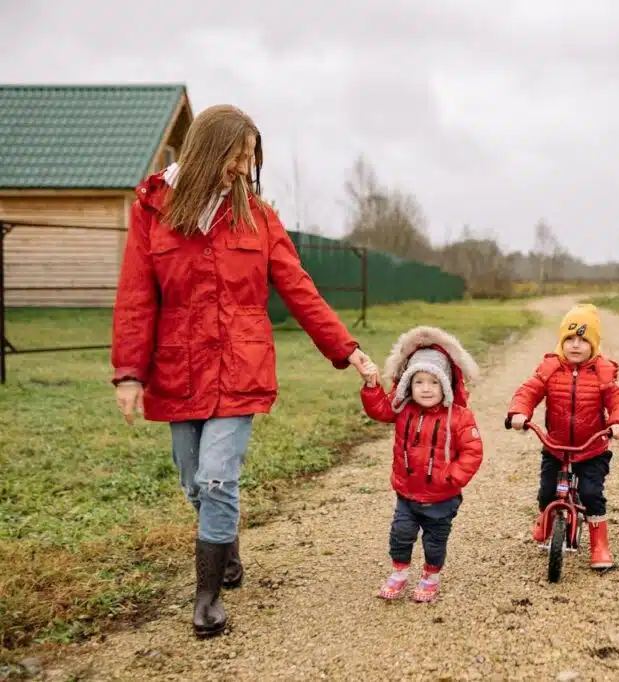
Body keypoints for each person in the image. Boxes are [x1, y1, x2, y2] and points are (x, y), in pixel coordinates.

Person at [110, 104, 375, 638]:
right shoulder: (153, 211)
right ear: (210, 151)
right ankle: (225, 545)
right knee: (194, 482)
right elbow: (137, 295)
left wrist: (347, 350)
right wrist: (130, 373)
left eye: (249, 158)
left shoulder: (258, 217)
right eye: (236, 155)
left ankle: (206, 598)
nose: (242, 168)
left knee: (215, 476)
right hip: (178, 368)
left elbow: (300, 290)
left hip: (239, 367)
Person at [360, 325, 484, 603]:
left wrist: (451, 477)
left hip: (442, 497)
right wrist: (371, 386)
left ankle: (431, 576)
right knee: (400, 535)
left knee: (434, 542)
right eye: (419, 382)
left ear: (446, 384)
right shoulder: (403, 408)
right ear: (408, 385)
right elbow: (380, 410)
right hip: (407, 493)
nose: (426, 389)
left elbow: (472, 452)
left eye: (434, 382)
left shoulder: (460, 417)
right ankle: (399, 572)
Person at [507, 303, 619, 571]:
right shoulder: (550, 369)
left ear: (594, 345)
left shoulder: (603, 372)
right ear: (561, 342)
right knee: (546, 492)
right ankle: (546, 521)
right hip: (556, 446)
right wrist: (519, 413)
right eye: (570, 339)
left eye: (583, 340)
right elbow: (528, 392)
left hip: (592, 449)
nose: (575, 345)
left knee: (591, 494)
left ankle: (599, 545)